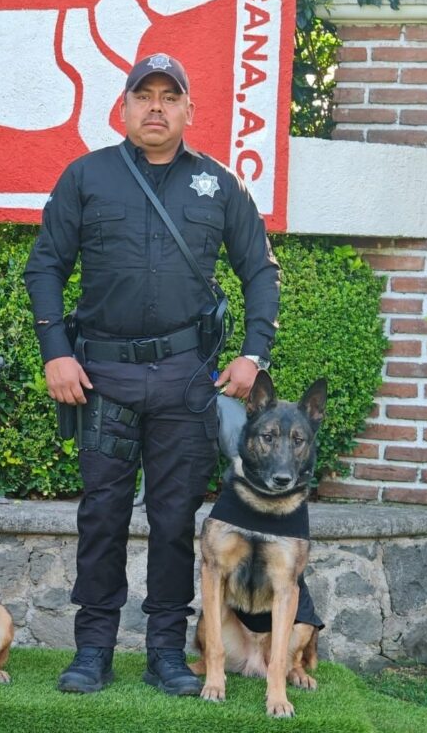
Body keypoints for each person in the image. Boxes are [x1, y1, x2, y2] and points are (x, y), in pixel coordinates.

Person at [24, 53, 279, 695]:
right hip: (102, 376)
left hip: (184, 380)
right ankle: (93, 650)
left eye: (171, 96)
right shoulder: (86, 177)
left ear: (191, 109)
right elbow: (45, 266)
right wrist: (56, 352)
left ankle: (166, 650)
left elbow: (261, 271)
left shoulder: (219, 186)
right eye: (145, 96)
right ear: (125, 106)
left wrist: (254, 354)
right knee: (102, 516)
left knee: (172, 520)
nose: (157, 107)